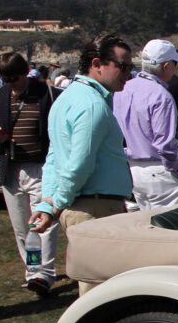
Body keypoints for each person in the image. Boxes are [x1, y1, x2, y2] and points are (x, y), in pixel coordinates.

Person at [28, 35, 136, 296]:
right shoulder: (91, 104)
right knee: (101, 291)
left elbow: (54, 158)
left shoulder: (67, 99)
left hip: (87, 205)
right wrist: (55, 203)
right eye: (123, 67)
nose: (128, 74)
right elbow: (78, 164)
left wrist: (49, 202)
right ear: (98, 64)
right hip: (94, 208)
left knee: (98, 287)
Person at [0, 52, 63, 296]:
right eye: (5, 79)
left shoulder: (49, 94)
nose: (10, 84)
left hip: (41, 167)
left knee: (43, 222)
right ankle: (32, 269)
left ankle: (44, 273)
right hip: (11, 168)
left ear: (25, 72)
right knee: (20, 226)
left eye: (13, 79)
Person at [116, 39, 178, 210]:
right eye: (174, 64)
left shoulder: (123, 89)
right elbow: (165, 144)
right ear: (166, 66)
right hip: (160, 169)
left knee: (148, 226)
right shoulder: (161, 95)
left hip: (134, 168)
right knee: (173, 229)